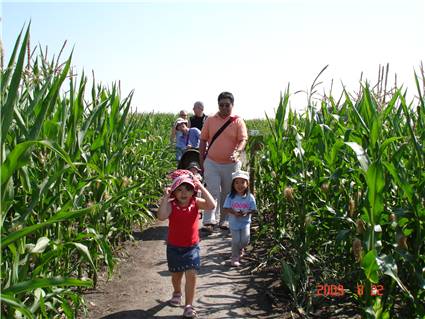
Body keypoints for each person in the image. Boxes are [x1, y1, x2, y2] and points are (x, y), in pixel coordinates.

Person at [157, 170, 216, 318]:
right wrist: (165, 196)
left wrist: (201, 187)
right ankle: (177, 292)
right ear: (174, 192)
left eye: (188, 189)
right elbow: (161, 216)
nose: (184, 193)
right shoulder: (171, 205)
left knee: (191, 274)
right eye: (180, 190)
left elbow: (212, 205)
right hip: (174, 247)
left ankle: (188, 305)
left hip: (191, 246)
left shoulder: (195, 203)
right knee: (176, 275)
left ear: (193, 191)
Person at [199, 91, 248, 232]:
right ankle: (209, 221)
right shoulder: (210, 120)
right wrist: (201, 159)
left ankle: (224, 220)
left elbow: (243, 139)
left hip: (231, 164)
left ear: (232, 105)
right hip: (212, 162)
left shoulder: (238, 121)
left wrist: (238, 151)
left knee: (228, 193)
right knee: (211, 190)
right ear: (218, 105)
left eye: (227, 105)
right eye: (221, 105)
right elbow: (203, 140)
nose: (224, 108)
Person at [223, 170, 257, 267]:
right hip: (234, 223)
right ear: (233, 184)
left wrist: (247, 212)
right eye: (237, 182)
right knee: (236, 241)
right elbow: (226, 207)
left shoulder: (250, 197)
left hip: (245, 222)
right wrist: (234, 212)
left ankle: (240, 248)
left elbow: (254, 210)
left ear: (247, 184)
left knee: (245, 240)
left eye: (243, 182)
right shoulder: (230, 196)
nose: (240, 185)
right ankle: (234, 258)